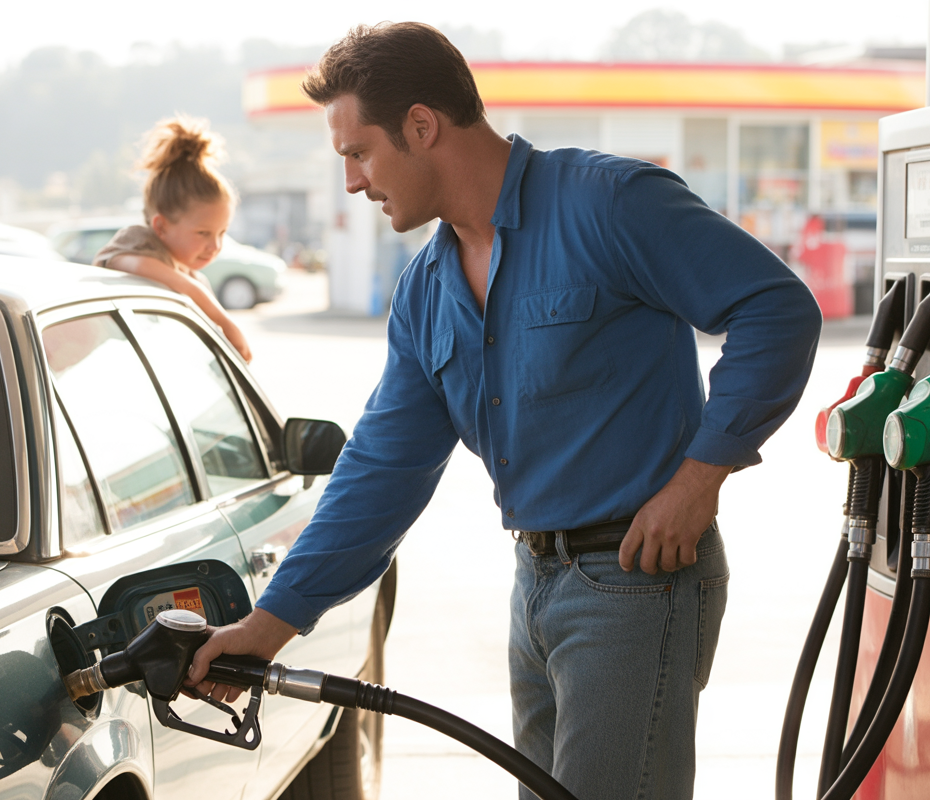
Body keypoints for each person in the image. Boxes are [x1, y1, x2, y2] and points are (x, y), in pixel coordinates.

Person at [186, 22, 822, 800]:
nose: (351, 181)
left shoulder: (608, 203)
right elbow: (382, 468)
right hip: (535, 581)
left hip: (637, 581)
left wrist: (700, 478)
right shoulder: (427, 292)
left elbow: (775, 310)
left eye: (359, 153)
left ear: (422, 126)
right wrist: (267, 626)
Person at [93, 116, 252, 362]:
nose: (215, 246)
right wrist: (226, 322)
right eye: (203, 233)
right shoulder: (137, 242)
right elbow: (134, 264)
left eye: (222, 233)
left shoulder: (195, 281)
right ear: (161, 226)